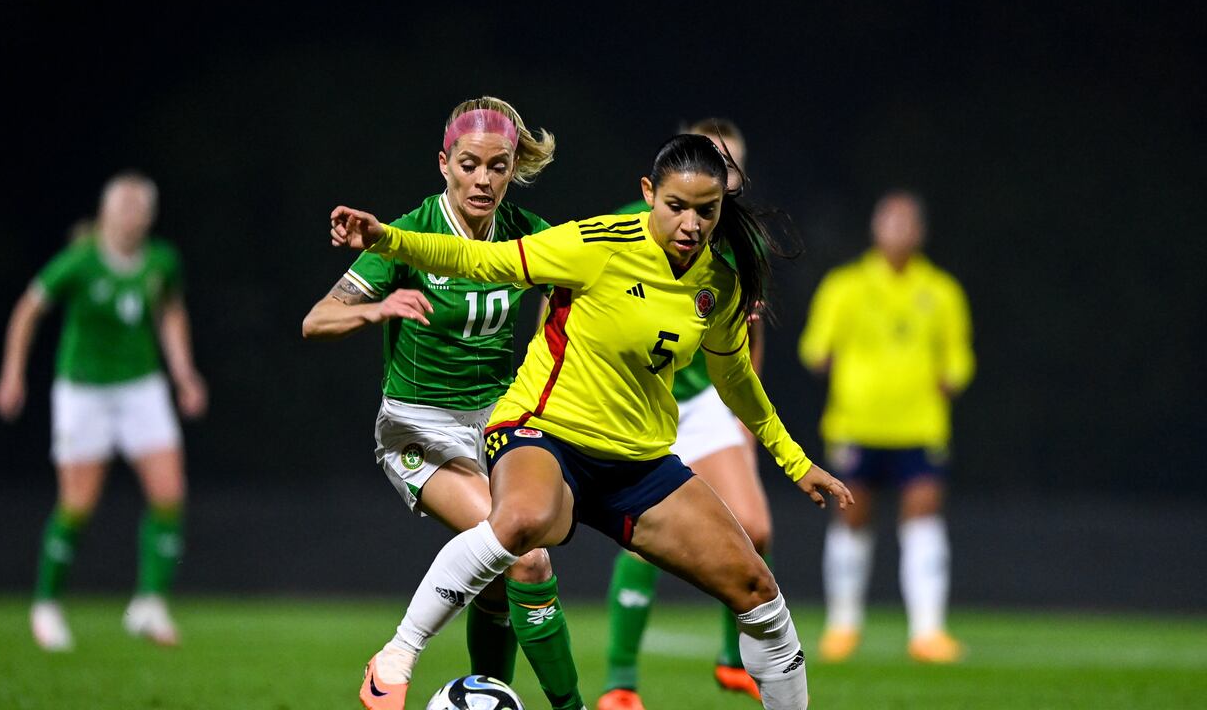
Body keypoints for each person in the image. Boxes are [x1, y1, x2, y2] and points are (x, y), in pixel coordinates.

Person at [330, 133, 854, 710]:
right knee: (522, 524)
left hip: (638, 464)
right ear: (648, 193)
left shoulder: (719, 284)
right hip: (542, 432)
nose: (691, 223)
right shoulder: (593, 242)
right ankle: (398, 656)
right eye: (676, 205)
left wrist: (796, 461)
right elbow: (479, 260)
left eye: (706, 210)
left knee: (757, 589)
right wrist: (388, 239)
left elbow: (736, 381)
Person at [302, 97, 584, 710]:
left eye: (498, 166)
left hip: (496, 426)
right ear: (444, 165)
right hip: (418, 430)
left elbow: (593, 274)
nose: (483, 180)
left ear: (512, 169)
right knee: (525, 555)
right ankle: (565, 706)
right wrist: (376, 308)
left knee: (497, 575)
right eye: (469, 164)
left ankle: (489, 694)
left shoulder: (525, 233)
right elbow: (316, 319)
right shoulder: (412, 234)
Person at [0, 171, 207, 651]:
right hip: (83, 391)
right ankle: (46, 604)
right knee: (78, 504)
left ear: (150, 216)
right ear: (105, 213)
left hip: (142, 388)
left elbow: (170, 312)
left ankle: (149, 603)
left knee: (170, 493)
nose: (130, 217)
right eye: (122, 207)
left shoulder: (161, 261)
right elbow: (28, 309)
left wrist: (184, 373)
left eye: (139, 208)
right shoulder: (81, 261)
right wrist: (13, 375)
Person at [599, 118, 772, 710]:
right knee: (641, 537)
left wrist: (749, 424)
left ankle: (734, 660)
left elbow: (748, 339)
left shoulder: (740, 243)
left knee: (756, 526)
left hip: (701, 401)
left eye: (731, 169)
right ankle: (620, 682)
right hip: (635, 396)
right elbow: (558, 287)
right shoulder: (632, 221)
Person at [798, 190, 974, 663]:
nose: (898, 230)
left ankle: (928, 631)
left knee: (924, 519)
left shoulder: (942, 291)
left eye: (907, 222)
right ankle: (843, 625)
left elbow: (958, 361)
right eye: (890, 221)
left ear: (920, 232)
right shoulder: (845, 286)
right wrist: (825, 358)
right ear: (876, 228)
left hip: (918, 427)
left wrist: (950, 379)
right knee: (852, 518)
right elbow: (815, 349)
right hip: (858, 423)